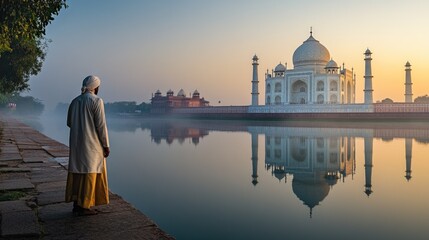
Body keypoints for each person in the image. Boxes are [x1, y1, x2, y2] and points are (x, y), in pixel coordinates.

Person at [65, 75, 110, 216]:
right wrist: (106, 145)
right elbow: (101, 125)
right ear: (95, 87)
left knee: (78, 171)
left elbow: (69, 123)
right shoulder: (97, 101)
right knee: (90, 172)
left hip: (77, 143)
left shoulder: (75, 101)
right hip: (92, 144)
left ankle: (77, 203)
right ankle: (85, 206)